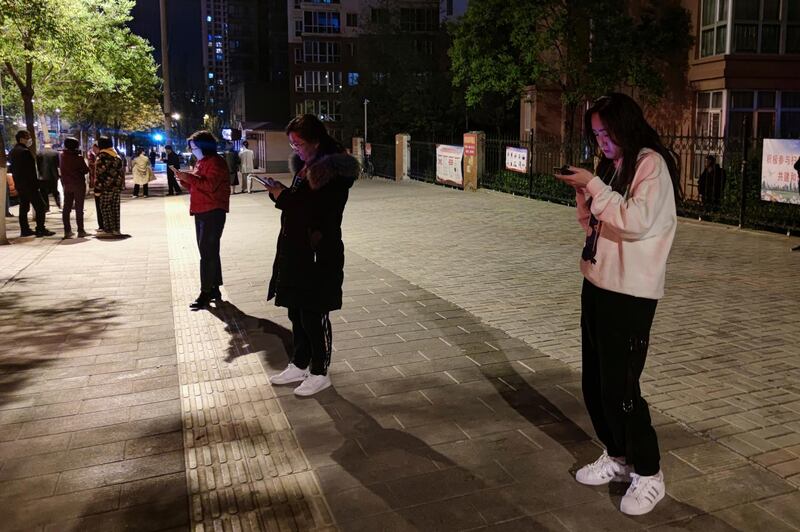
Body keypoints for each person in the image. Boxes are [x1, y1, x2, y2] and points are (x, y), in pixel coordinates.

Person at [555, 93, 681, 516]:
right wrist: (584, 192)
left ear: (626, 125)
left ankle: (649, 472)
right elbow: (595, 223)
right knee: (595, 382)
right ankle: (618, 456)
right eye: (596, 135)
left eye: (606, 133)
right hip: (597, 282)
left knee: (622, 387)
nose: (602, 142)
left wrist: (592, 185)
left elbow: (636, 221)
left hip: (631, 293)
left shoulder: (651, 165)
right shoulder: (613, 166)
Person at [265, 115, 359, 397]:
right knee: (296, 309)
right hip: (296, 249)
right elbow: (298, 205)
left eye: (299, 144)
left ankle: (320, 371)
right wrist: (279, 194)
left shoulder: (333, 172)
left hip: (319, 252)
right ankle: (300, 362)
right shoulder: (305, 166)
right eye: (292, 145)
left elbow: (317, 213)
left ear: (316, 141)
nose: (295, 150)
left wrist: (283, 197)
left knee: (314, 313)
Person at [174, 130, 230, 309]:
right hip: (201, 210)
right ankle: (214, 288)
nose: (193, 151)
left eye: (195, 147)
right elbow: (196, 183)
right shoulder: (202, 161)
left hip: (213, 211)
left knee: (207, 253)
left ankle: (206, 292)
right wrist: (184, 179)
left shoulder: (216, 162)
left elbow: (209, 185)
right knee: (210, 251)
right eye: (191, 148)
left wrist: (189, 177)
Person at [8, 130, 54, 237]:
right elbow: (30, 171)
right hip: (29, 185)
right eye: (27, 137)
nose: (29, 139)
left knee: (23, 208)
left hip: (20, 184)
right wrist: (37, 184)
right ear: (21, 139)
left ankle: (25, 230)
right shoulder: (25, 152)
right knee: (40, 207)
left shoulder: (13, 151)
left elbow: (12, 169)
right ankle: (40, 229)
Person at [94, 136, 125, 237]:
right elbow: (121, 172)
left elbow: (99, 174)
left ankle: (108, 229)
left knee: (105, 207)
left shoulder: (102, 156)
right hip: (116, 186)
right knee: (115, 208)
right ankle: (117, 229)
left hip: (105, 187)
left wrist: (97, 188)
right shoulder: (117, 156)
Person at [59, 137, 90, 239]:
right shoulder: (78, 157)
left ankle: (67, 231)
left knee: (66, 208)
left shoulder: (62, 156)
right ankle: (80, 230)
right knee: (79, 208)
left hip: (67, 185)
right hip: (78, 185)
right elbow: (86, 170)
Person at [37, 142, 61, 211]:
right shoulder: (56, 153)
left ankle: (46, 207)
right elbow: (58, 165)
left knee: (44, 193)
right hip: (53, 176)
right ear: (50, 146)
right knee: (55, 192)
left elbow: (38, 165)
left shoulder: (39, 153)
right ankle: (59, 204)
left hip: (42, 176)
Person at [87, 143, 103, 231]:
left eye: (94, 148)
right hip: (101, 184)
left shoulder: (100, 158)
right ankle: (104, 225)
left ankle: (102, 226)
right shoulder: (98, 156)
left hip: (100, 186)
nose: (93, 150)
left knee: (100, 206)